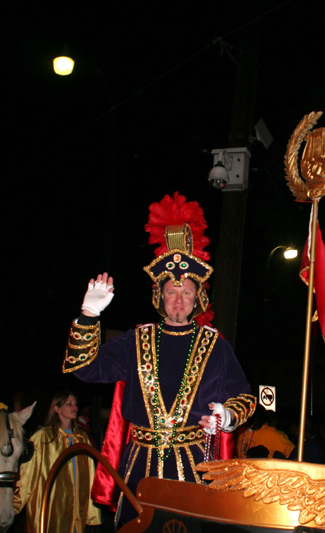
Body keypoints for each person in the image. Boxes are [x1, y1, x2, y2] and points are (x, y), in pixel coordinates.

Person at [63, 193, 255, 524]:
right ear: (160, 297)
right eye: (171, 292)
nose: (178, 300)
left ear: (198, 299)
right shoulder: (135, 340)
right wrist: (88, 316)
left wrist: (228, 416)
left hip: (194, 466)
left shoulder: (215, 345)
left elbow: (246, 398)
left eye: (186, 293)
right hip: (139, 465)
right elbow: (84, 368)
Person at [14, 391, 100, 533]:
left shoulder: (82, 438)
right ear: (57, 409)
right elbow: (27, 474)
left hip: (76, 509)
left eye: (75, 404)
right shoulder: (42, 438)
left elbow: (90, 476)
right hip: (51, 507)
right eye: (69, 404)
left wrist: (92, 512)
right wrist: (15, 504)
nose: (75, 408)